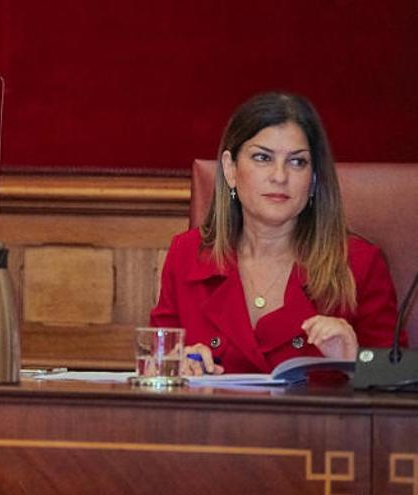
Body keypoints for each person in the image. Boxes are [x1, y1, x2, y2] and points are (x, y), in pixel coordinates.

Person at [150, 92, 405, 375]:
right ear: (230, 169)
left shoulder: (358, 264)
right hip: (212, 420)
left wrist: (355, 362)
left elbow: (399, 386)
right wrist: (173, 365)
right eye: (262, 158)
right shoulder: (187, 255)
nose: (280, 176)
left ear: (314, 179)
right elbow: (156, 366)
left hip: (318, 421)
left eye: (297, 162)